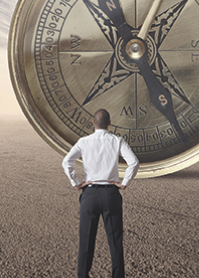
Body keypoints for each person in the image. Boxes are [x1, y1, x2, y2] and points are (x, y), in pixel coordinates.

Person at [62, 109, 139, 278]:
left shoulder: (84, 141)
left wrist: (77, 183)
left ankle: (83, 275)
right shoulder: (117, 141)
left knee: (86, 241)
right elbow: (134, 162)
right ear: (110, 124)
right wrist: (124, 183)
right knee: (115, 242)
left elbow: (67, 161)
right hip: (111, 194)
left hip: (89, 195)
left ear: (93, 123)